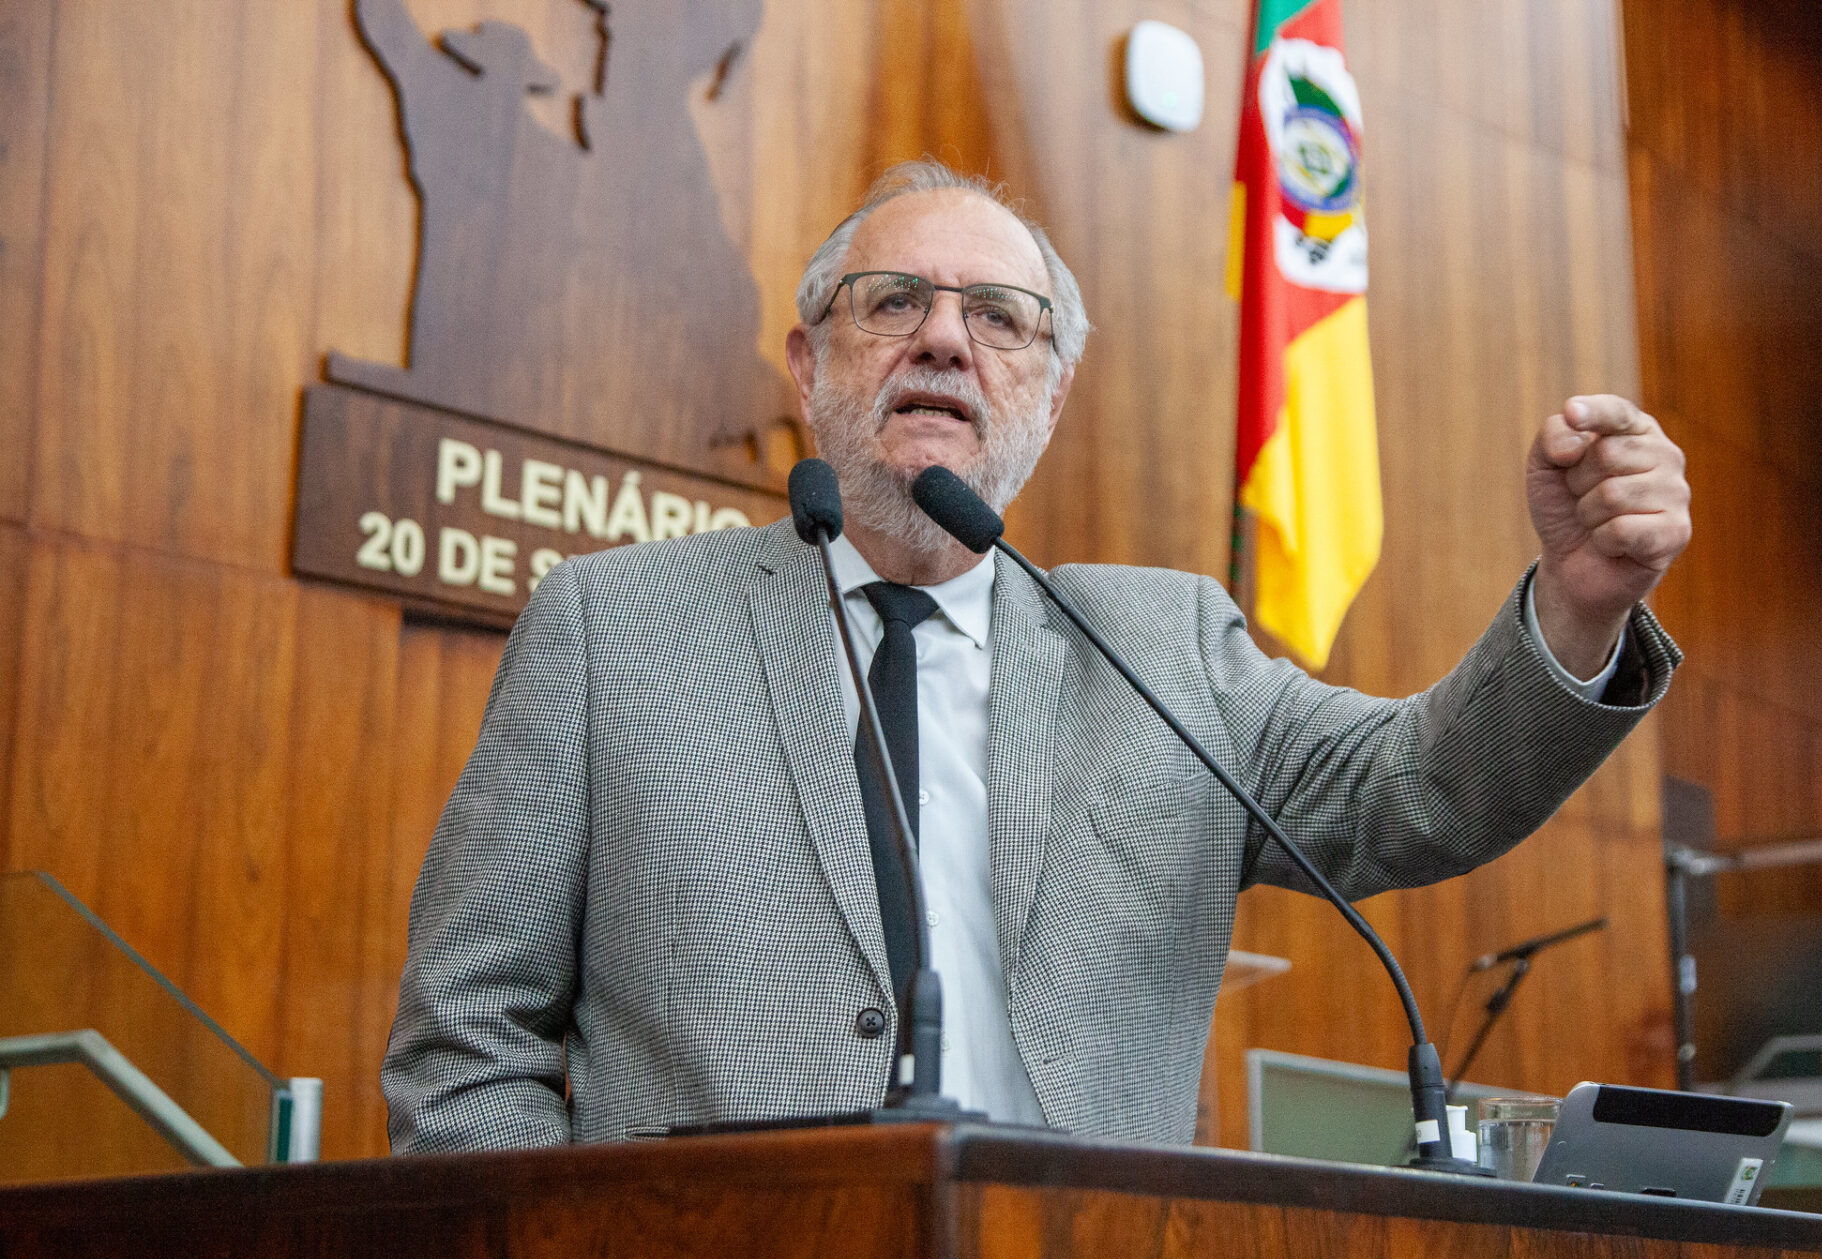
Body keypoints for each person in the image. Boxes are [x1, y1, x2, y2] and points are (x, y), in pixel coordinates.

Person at [382, 162, 1691, 1151]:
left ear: (1052, 396)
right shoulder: (612, 629)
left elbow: (1420, 791)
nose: (944, 339)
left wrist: (1578, 609)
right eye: (893, 301)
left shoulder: (1163, 651)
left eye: (1001, 318)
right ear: (807, 362)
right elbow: (464, 1043)